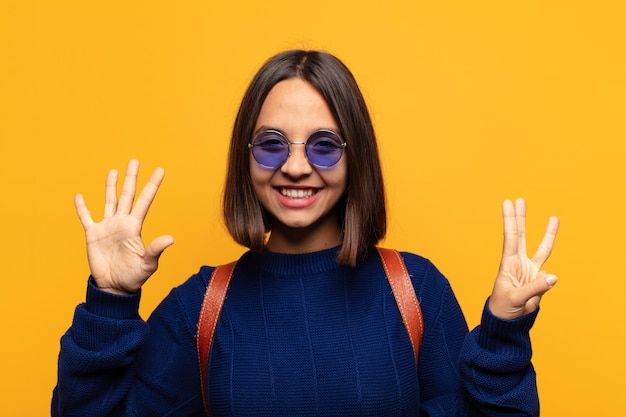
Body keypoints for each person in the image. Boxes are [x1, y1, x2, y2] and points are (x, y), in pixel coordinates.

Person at [52, 50, 560, 416]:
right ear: (245, 159)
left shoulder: (416, 290)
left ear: (354, 156)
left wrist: (502, 332)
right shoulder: (199, 309)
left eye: (323, 145)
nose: (296, 166)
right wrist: (111, 302)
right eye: (272, 144)